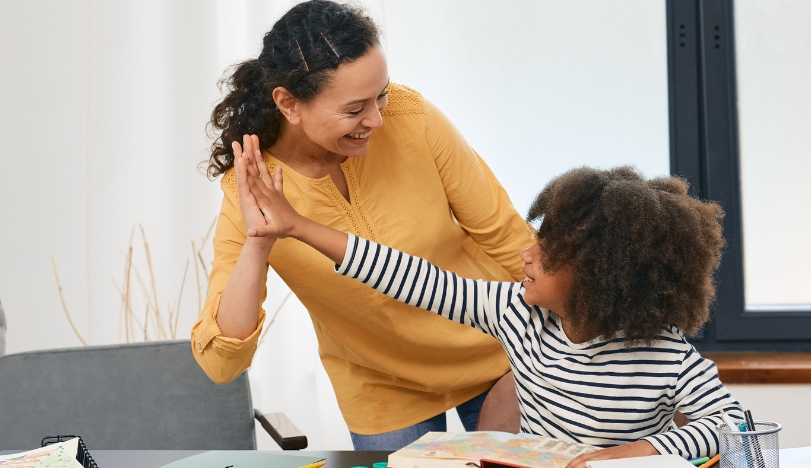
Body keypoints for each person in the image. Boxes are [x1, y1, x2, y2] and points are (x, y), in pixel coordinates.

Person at [190, 0, 534, 450]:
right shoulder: (251, 188)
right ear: (288, 103)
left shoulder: (411, 118)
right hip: (381, 386)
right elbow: (221, 363)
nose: (376, 119)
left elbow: (508, 237)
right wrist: (258, 243)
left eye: (381, 95)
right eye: (354, 109)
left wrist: (541, 357)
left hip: (496, 353)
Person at [241, 162, 743, 466]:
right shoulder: (516, 316)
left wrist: (633, 453)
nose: (527, 254)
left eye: (547, 251)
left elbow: (732, 427)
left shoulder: (666, 355)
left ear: (598, 276)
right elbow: (410, 276)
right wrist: (299, 226)